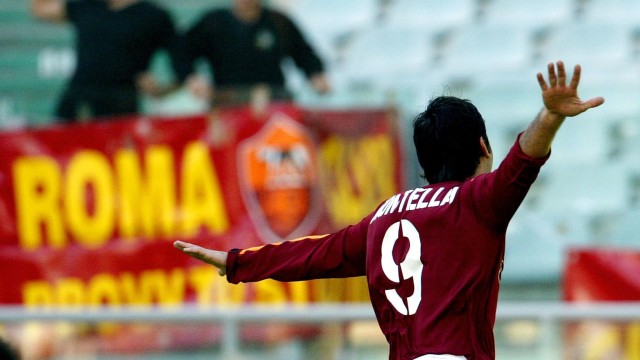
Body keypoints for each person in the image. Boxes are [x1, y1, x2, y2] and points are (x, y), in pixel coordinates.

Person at [174, 61, 604, 359]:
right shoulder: (477, 204)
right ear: (482, 147)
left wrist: (236, 263)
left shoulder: (384, 216)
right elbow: (523, 162)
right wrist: (549, 117)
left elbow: (311, 254)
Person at [30, 0, 181, 122]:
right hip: (77, 103)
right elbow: (41, 10)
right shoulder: (88, 7)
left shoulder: (154, 16)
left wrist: (162, 91)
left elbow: (184, 66)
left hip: (121, 109)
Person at [176, 0, 331, 107]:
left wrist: (316, 75)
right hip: (228, 106)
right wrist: (191, 78)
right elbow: (181, 50)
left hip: (274, 102)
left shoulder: (278, 21)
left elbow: (304, 54)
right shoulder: (214, 23)